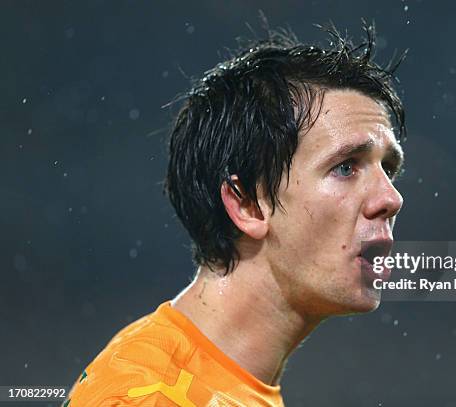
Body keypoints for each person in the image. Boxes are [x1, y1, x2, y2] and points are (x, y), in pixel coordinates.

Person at [63, 21, 406, 407]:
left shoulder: (224, 384)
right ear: (247, 204)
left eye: (388, 169)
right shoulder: (149, 398)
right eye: (346, 167)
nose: (391, 198)